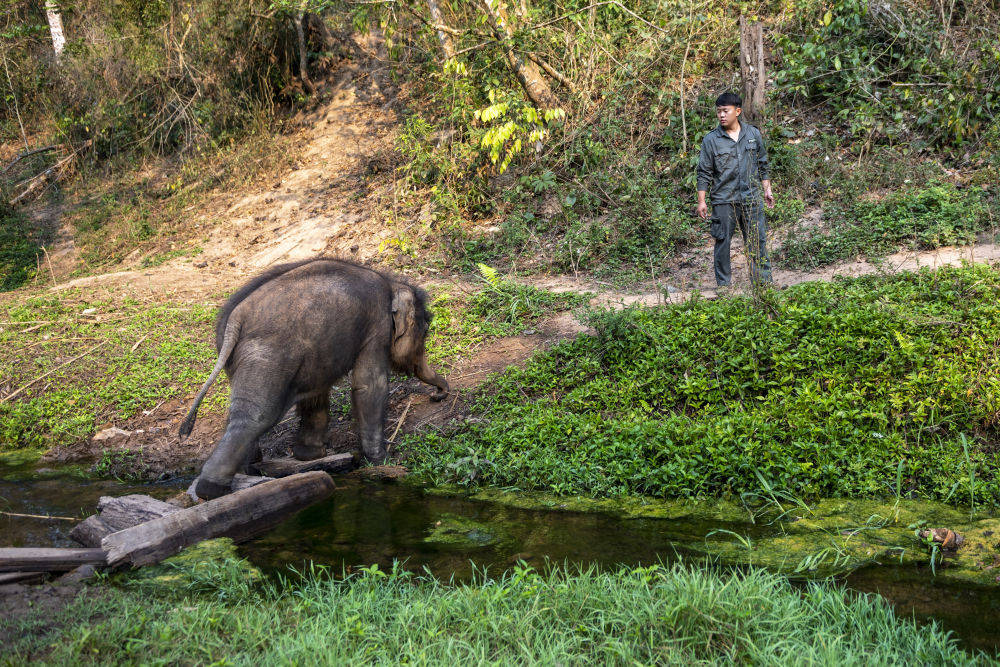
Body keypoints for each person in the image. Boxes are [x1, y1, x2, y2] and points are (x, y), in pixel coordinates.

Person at [696, 92, 774, 287]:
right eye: (719, 112)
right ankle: (724, 286)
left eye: (725, 111)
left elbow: (762, 163)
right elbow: (704, 172)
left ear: (737, 111)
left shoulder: (753, 134)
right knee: (722, 243)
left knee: (757, 241)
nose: (721, 115)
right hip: (724, 199)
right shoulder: (711, 140)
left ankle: (763, 285)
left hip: (751, 198)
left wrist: (767, 190)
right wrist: (702, 201)